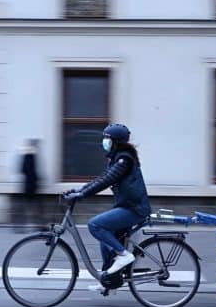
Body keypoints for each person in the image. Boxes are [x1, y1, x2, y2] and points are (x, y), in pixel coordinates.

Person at [63, 124, 151, 291]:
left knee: (95, 225)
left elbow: (106, 181)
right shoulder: (117, 158)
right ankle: (108, 279)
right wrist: (78, 190)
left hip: (134, 209)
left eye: (107, 139)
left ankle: (124, 256)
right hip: (127, 206)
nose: (104, 142)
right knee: (106, 235)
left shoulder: (124, 160)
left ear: (115, 141)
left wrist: (82, 195)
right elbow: (101, 178)